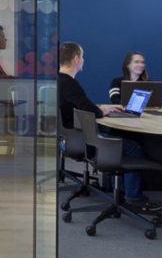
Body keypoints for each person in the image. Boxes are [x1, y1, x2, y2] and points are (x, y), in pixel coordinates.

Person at [58, 42, 154, 208]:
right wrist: (102, 111)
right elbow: (91, 111)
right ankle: (134, 197)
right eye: (82, 57)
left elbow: (83, 106)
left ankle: (119, 189)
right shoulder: (70, 84)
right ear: (75, 59)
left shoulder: (59, 80)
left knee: (119, 137)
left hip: (72, 135)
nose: (83, 60)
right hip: (83, 138)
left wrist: (102, 108)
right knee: (134, 147)